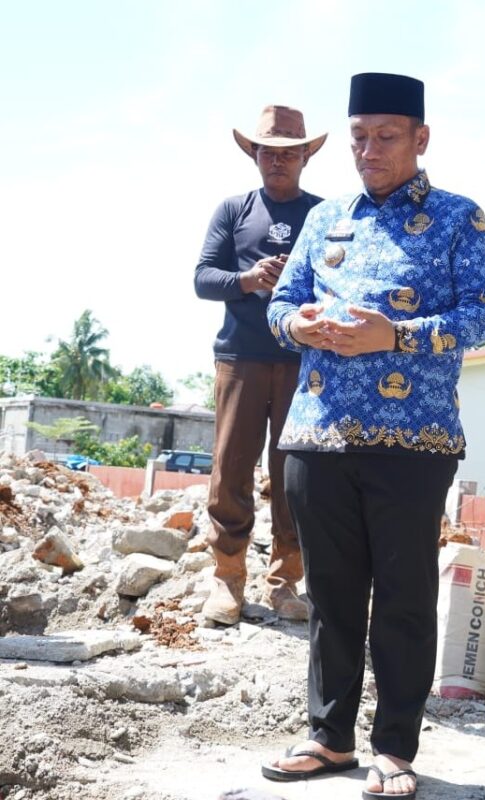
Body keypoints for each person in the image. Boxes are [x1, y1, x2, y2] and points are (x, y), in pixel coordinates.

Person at [263, 73, 485, 799]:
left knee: (402, 599)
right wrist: (298, 323)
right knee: (332, 597)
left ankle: (395, 748)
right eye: (359, 136)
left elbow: (484, 316)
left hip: (413, 442)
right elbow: (280, 303)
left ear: (420, 139)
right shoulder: (326, 217)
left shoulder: (459, 217)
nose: (369, 149)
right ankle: (329, 737)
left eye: (386, 136)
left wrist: (393, 335)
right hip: (318, 434)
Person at [194, 105, 326, 624]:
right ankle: (227, 579)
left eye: (289, 152)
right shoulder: (234, 210)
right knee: (230, 470)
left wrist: (301, 288)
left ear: (305, 157)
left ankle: (284, 582)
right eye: (269, 152)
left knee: (294, 475)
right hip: (241, 358)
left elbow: (344, 282)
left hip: (303, 362)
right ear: (254, 155)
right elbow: (203, 278)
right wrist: (248, 280)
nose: (278, 160)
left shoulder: (324, 215)